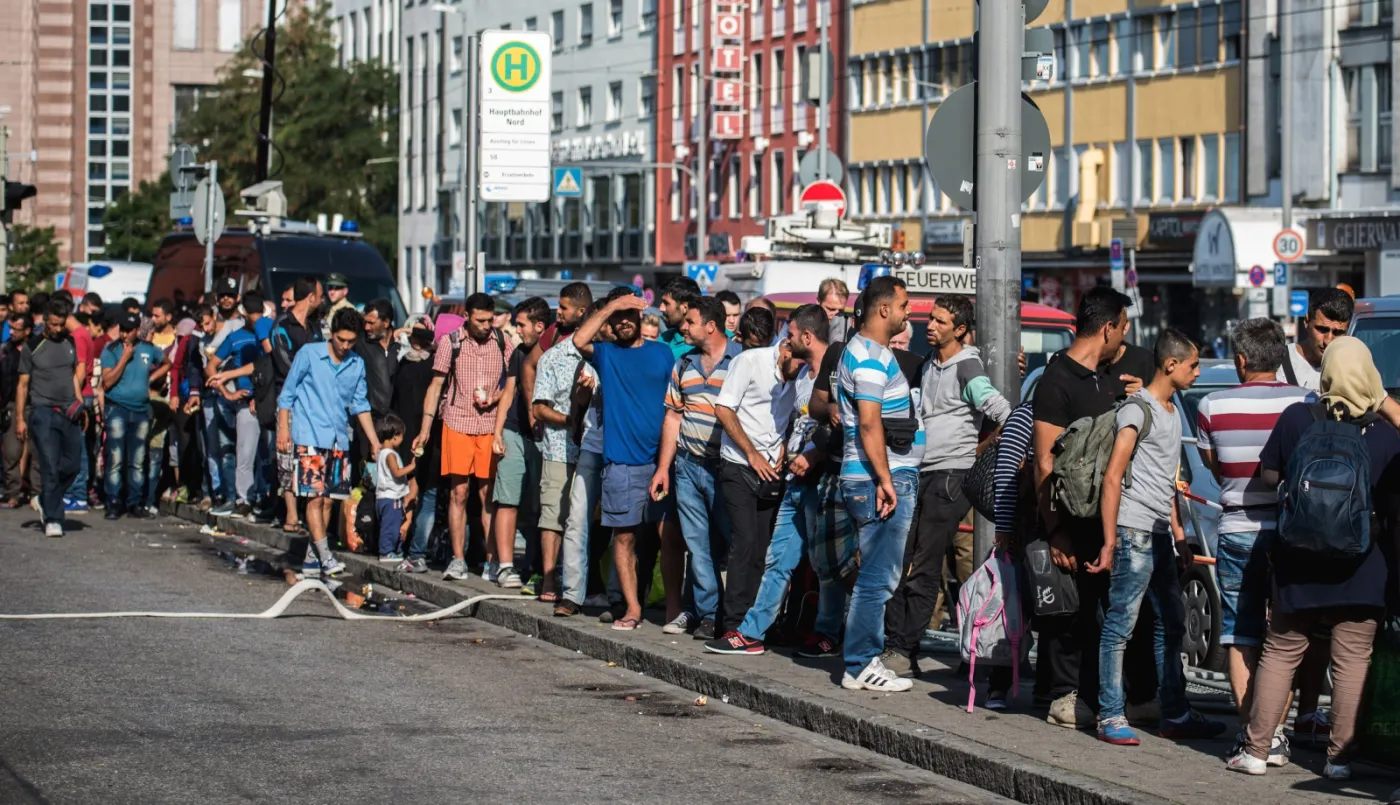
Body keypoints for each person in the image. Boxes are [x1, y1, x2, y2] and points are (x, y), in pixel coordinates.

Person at [1229, 336, 1400, 780]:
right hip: (1364, 564)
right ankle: (1339, 759)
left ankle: (1255, 750)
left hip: (1298, 559)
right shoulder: (1384, 433)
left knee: (1282, 650)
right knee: (1352, 658)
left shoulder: (1296, 417)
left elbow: (1269, 475)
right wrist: (1382, 402)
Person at [1092, 329, 1224, 745]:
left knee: (1172, 622)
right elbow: (1113, 477)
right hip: (1133, 531)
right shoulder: (1137, 410)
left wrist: (1180, 533)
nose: (1197, 373)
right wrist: (1110, 539)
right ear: (1171, 365)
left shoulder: (1172, 410)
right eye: (1193, 365)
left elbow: (1169, 480)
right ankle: (1110, 714)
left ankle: (1175, 711)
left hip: (1160, 533)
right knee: (1120, 625)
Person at [1032, 287, 1154, 729]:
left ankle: (1110, 695)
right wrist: (1056, 528)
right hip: (1070, 521)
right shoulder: (1057, 380)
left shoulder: (1105, 379)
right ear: (1107, 327)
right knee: (1071, 616)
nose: (1125, 336)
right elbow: (1044, 461)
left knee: (1105, 613)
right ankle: (1065, 698)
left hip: (1104, 521)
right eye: (1122, 326)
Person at [1195, 318, 1311, 762]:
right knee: (1285, 636)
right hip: (1289, 530)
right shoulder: (1304, 402)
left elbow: (1215, 468)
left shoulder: (1211, 405)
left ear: (1240, 360)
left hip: (1238, 527)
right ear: (1280, 357)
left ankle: (1250, 737)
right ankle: (1276, 735)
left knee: (1239, 634)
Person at [881, 294, 1011, 677]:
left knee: (924, 565)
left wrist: (978, 450)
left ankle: (904, 650)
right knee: (899, 559)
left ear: (960, 330)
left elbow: (1003, 413)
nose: (929, 326)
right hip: (920, 471)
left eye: (939, 321)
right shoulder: (929, 365)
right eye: (930, 319)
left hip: (950, 477)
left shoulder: (967, 367)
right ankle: (896, 644)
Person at [706, 303, 831, 654]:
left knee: (764, 550)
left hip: (774, 473)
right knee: (745, 543)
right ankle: (732, 624)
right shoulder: (750, 362)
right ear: (785, 349)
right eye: (797, 365)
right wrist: (752, 453)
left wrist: (782, 450)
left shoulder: (801, 377)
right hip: (738, 464)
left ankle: (755, 627)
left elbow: (795, 418)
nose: (800, 372)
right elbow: (724, 408)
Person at [836, 276, 923, 692]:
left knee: (875, 574)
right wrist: (887, 480)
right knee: (878, 577)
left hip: (872, 478)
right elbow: (869, 422)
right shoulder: (870, 357)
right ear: (884, 309)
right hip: (877, 480)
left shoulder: (868, 351)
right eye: (904, 305)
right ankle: (860, 663)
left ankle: (859, 662)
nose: (910, 314)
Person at [572, 288, 676, 631]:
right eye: (617, 318)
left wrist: (666, 462)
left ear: (639, 316)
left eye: (628, 315)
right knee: (624, 538)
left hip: (662, 461)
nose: (622, 323)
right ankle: (632, 609)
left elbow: (675, 407)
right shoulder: (605, 354)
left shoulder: (662, 353)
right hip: (621, 465)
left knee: (669, 537)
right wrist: (614, 305)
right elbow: (579, 339)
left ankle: (676, 611)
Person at [652, 296, 742, 638]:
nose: (682, 327)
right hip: (687, 467)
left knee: (734, 542)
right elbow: (673, 417)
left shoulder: (740, 361)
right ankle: (707, 614)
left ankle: (735, 613)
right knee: (697, 544)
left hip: (727, 468)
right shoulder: (684, 364)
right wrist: (664, 468)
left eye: (689, 322)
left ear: (711, 325)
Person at [413, 293, 512, 582]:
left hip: (490, 426)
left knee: (487, 495)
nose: (486, 325)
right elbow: (436, 385)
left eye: (490, 320)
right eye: (480, 320)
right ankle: (457, 559)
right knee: (459, 492)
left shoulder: (503, 341)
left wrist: (494, 397)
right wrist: (425, 429)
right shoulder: (450, 342)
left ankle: (493, 561)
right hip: (456, 422)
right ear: (467, 317)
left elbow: (513, 382)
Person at [276, 307, 380, 580]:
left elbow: (360, 405)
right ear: (331, 333)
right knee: (314, 497)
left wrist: (374, 441)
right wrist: (283, 431)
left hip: (338, 438)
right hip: (309, 433)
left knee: (329, 501)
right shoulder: (309, 354)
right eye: (341, 340)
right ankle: (325, 556)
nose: (345, 346)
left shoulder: (356, 363)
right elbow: (287, 395)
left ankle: (313, 557)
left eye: (350, 341)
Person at [532, 302, 599, 615]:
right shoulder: (553, 357)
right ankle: (549, 580)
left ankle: (591, 584)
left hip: (594, 448)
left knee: (591, 521)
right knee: (554, 517)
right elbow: (539, 408)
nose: (558, 312)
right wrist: (569, 419)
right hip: (560, 447)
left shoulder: (604, 357)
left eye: (564, 307)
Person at [491, 296, 549, 591]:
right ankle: (505, 566)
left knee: (539, 507)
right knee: (508, 498)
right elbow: (508, 391)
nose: (517, 329)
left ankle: (537, 566)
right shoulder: (518, 352)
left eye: (521, 324)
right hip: (514, 431)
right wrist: (498, 433)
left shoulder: (556, 350)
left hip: (544, 437)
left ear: (540, 326)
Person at [17, 298, 84, 537]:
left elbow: (73, 375)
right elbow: (23, 385)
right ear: (45, 320)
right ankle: (54, 518)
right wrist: (20, 419)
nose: (57, 329)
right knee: (50, 465)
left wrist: (80, 403)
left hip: (69, 412)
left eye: (61, 324)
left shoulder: (70, 342)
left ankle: (46, 499)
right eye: (53, 324)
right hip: (42, 412)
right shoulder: (32, 346)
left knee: (74, 465)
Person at [99, 312, 171, 520]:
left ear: (137, 331)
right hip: (117, 409)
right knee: (115, 457)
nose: (124, 335)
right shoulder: (111, 350)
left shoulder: (148, 349)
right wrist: (124, 359)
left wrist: (151, 378)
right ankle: (113, 502)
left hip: (140, 410)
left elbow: (166, 362)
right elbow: (107, 382)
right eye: (121, 330)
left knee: (138, 459)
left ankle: (134, 502)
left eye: (128, 331)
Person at [206, 293, 268, 517]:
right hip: (244, 403)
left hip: (269, 402)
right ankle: (245, 499)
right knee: (245, 453)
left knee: (268, 454)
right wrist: (227, 393)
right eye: (252, 314)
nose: (256, 319)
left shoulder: (269, 333)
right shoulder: (235, 337)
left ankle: (265, 496)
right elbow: (211, 366)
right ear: (244, 314)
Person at [272, 277, 323, 536]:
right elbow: (285, 365)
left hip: (314, 402)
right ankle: (291, 514)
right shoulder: (281, 326)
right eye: (320, 295)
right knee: (287, 457)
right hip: (289, 401)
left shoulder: (315, 328)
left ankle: (309, 514)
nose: (323, 300)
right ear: (310, 297)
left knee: (309, 457)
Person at [392, 320, 440, 574]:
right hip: (428, 439)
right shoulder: (433, 366)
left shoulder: (404, 366)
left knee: (412, 492)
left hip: (407, 439)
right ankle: (417, 549)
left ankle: (407, 546)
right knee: (426, 495)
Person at [352, 298, 402, 481]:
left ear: (386, 322)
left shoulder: (401, 345)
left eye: (371, 323)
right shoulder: (361, 344)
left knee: (391, 474)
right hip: (368, 419)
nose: (367, 327)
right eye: (365, 322)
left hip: (393, 422)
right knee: (366, 475)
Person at [1277, 288, 1351, 390]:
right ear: (1306, 322)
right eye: (1322, 329)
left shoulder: (1353, 368)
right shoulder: (1278, 363)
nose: (1328, 340)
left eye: (1337, 332)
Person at [0, 314, 33, 506]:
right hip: (11, 405)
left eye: (16, 329)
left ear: (27, 331)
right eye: (10, 328)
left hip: (35, 404)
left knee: (37, 453)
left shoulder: (36, 350)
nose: (11, 332)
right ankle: (12, 493)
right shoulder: (5, 350)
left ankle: (35, 493)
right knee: (11, 452)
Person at [374, 413, 415, 562]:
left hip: (383, 497)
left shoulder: (380, 453)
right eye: (402, 436)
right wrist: (412, 466)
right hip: (391, 497)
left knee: (392, 524)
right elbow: (397, 472)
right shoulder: (390, 454)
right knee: (390, 527)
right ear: (395, 436)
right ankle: (386, 552)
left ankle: (394, 551)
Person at [657, 277, 702, 359]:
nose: (661, 308)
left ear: (684, 308)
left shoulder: (714, 337)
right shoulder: (664, 338)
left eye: (666, 303)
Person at [819, 277, 850, 342]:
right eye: (831, 309)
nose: (836, 315)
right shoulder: (806, 328)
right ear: (818, 301)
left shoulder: (850, 332)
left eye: (841, 310)